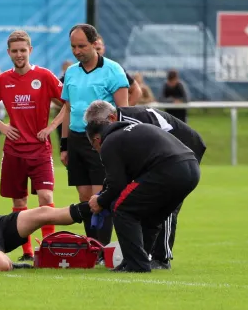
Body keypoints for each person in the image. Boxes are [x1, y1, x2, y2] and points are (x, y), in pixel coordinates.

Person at [85, 100, 206, 267]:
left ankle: (152, 260)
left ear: (97, 137)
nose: (95, 151)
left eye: (93, 146)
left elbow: (117, 184)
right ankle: (143, 259)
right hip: (186, 164)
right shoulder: (126, 129)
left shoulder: (111, 140)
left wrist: (101, 201)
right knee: (151, 213)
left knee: (122, 208)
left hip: (177, 159)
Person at [0, 30, 66, 262]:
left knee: (46, 198)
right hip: (14, 152)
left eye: (23, 50)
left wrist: (51, 127)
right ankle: (27, 252)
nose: (19, 55)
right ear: (9, 53)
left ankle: (49, 249)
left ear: (30, 51)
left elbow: (67, 102)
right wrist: (2, 127)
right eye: (15, 51)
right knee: (19, 203)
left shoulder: (45, 76)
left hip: (39, 150)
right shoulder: (3, 80)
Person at [60, 24, 129, 247]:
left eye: (82, 46)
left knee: (100, 196)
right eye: (73, 46)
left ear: (94, 43)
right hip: (77, 140)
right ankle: (91, 245)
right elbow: (68, 110)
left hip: (103, 141)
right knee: (83, 196)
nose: (77, 51)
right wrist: (64, 145)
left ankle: (102, 248)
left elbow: (123, 112)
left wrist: (117, 145)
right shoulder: (70, 72)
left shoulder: (113, 70)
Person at [94, 35, 142, 105]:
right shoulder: (76, 69)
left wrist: (123, 112)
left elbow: (136, 91)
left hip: (108, 115)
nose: (96, 52)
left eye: (98, 49)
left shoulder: (115, 69)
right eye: (93, 49)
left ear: (103, 49)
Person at [53, 59, 73, 143]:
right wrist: (64, 106)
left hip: (74, 116)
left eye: (69, 67)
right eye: (65, 67)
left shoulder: (76, 80)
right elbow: (53, 96)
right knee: (62, 139)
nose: (67, 69)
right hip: (61, 113)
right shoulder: (59, 81)